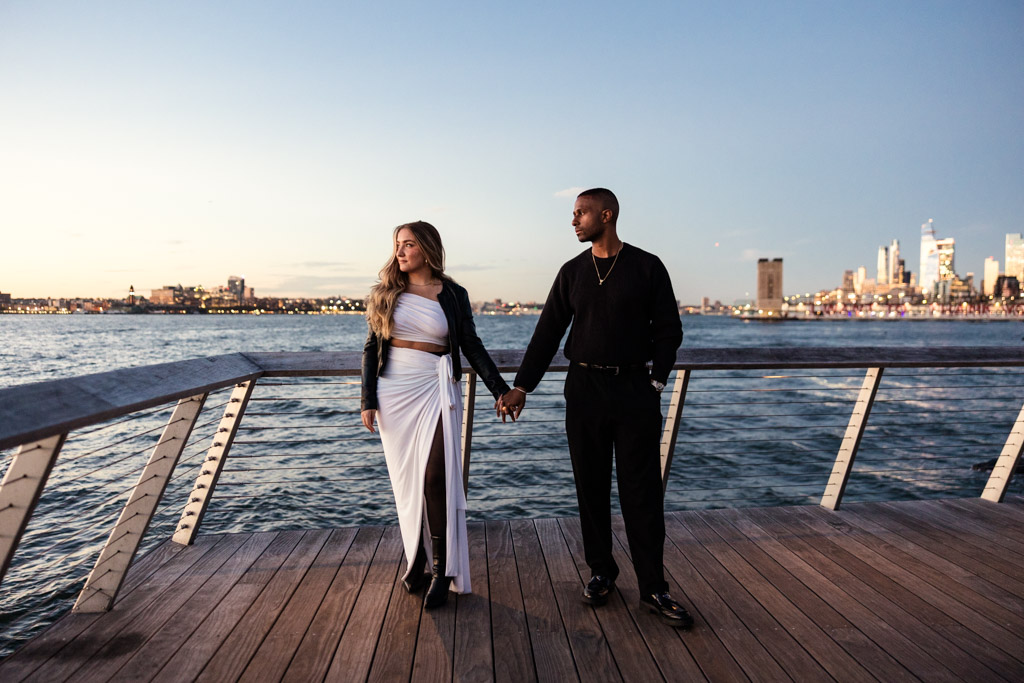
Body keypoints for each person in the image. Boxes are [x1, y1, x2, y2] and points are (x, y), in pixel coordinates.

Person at [498, 188, 694, 628]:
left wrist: (656, 380)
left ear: (606, 215)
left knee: (640, 492)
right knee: (590, 487)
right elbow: (547, 333)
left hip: (633, 390)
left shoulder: (646, 266)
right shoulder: (572, 272)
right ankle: (602, 571)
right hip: (583, 387)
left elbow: (669, 330)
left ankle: (653, 587)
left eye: (581, 213)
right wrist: (522, 386)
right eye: (573, 214)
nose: (574, 221)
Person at [361, 221, 512, 609]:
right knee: (407, 483)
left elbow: (472, 346)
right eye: (397, 244)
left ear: (427, 249)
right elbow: (370, 348)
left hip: (435, 387)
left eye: (408, 244)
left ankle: (443, 571)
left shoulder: (454, 294)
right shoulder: (385, 294)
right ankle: (418, 561)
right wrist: (368, 399)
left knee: (435, 476)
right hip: (394, 389)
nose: (400, 251)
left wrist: (501, 389)